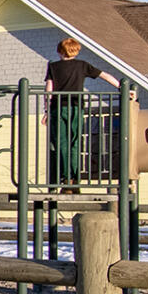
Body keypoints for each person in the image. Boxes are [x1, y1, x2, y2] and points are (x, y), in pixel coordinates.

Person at [44, 37, 107, 185]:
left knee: (61, 142)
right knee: (75, 142)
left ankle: (66, 176)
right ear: (76, 51)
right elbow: (104, 75)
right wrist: (121, 87)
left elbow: (49, 88)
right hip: (76, 107)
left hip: (57, 108)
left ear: (60, 51)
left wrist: (46, 110)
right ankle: (74, 174)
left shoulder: (53, 67)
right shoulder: (82, 65)